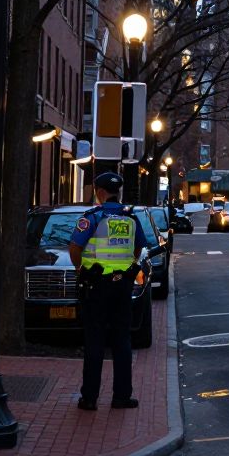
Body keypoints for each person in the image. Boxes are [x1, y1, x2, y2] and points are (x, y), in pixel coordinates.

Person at [69, 171, 147, 411]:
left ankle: (90, 398)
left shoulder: (92, 216)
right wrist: (125, 268)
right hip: (122, 286)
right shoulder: (131, 218)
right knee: (122, 340)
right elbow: (138, 249)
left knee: (95, 340)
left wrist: (81, 269)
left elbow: (75, 247)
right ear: (118, 192)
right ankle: (122, 396)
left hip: (96, 286)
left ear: (99, 192)